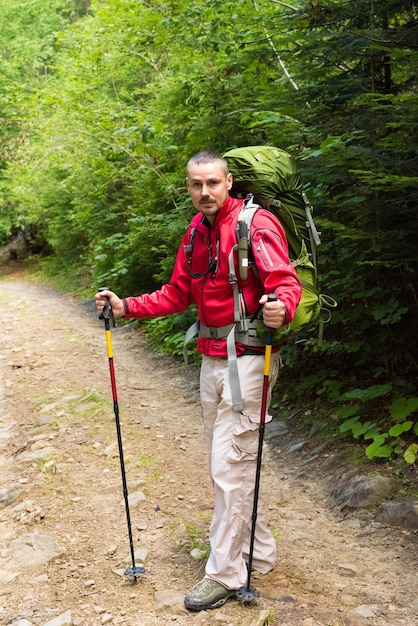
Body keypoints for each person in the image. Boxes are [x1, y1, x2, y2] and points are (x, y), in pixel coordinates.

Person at [95, 150, 302, 611]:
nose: (204, 192)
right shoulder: (195, 233)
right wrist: (127, 305)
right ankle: (259, 552)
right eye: (196, 184)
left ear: (228, 181)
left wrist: (281, 308)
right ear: (188, 186)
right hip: (211, 361)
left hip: (249, 360)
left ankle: (224, 574)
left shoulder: (255, 225)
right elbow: (176, 293)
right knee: (232, 461)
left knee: (230, 466)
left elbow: (287, 283)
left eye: (212, 183)